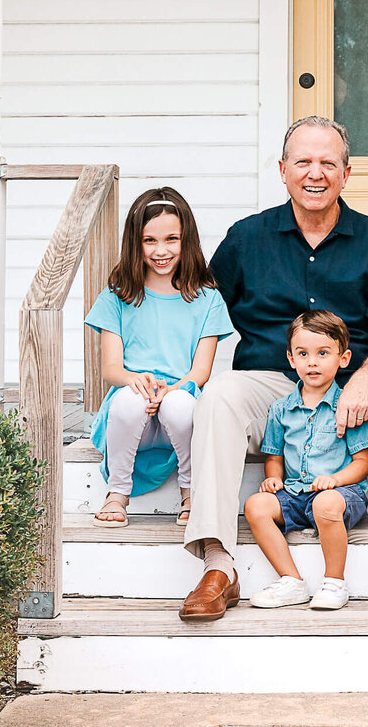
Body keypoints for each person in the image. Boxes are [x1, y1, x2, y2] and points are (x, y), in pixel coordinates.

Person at [179, 116, 368, 623]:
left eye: (327, 163)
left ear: (346, 173)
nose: (315, 173)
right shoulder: (246, 239)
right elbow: (194, 309)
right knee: (220, 396)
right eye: (303, 162)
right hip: (273, 384)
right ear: (282, 170)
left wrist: (362, 378)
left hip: (351, 384)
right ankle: (217, 563)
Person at [85, 188, 234, 529]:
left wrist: (170, 391)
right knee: (129, 402)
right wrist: (135, 381)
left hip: (179, 406)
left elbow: (201, 371)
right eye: (149, 240)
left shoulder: (207, 298)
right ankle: (118, 492)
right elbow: (111, 368)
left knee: (180, 405)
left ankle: (190, 491)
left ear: (187, 240)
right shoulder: (117, 296)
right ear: (135, 243)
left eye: (171, 239)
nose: (161, 250)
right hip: (132, 407)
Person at [244, 311, 368, 611]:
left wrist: (336, 480)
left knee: (325, 503)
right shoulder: (281, 409)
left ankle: (334, 582)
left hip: (341, 497)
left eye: (323, 353)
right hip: (295, 493)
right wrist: (273, 477)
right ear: (291, 359)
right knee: (255, 505)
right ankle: (292, 581)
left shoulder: (347, 405)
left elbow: (363, 461)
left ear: (343, 359)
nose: (312, 362)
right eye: (303, 354)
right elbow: (274, 456)